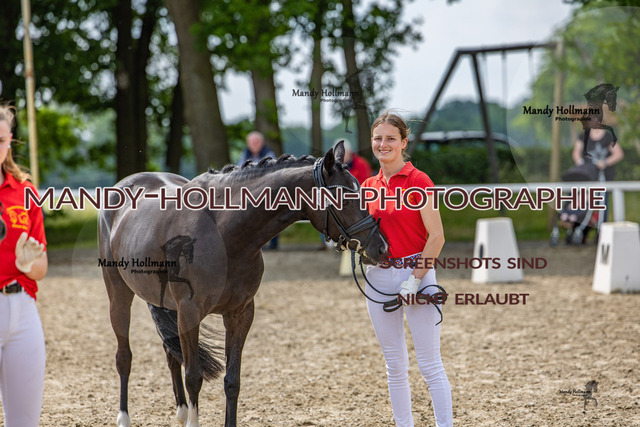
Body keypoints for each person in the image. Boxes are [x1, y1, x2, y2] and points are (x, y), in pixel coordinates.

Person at [362, 111, 452, 427]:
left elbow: (437, 237)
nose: (383, 144)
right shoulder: (367, 186)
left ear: (403, 142)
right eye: (378, 139)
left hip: (417, 274)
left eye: (390, 138)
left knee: (430, 365)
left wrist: (415, 280)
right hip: (377, 277)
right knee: (395, 366)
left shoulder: (419, 181)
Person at [0, 104, 48, 427]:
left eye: (0, 140)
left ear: (9, 141)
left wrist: (26, 263)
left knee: (24, 422)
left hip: (23, 311)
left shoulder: (26, 191)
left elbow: (41, 268)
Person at [572, 124, 624, 222]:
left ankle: (601, 224)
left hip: (603, 176)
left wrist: (605, 162)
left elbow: (618, 154)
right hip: (587, 175)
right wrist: (581, 163)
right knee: (582, 200)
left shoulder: (608, 136)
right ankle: (579, 221)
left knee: (602, 202)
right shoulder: (583, 135)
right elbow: (576, 153)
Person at [238, 131, 279, 249]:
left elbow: (269, 172)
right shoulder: (245, 154)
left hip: (267, 189)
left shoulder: (269, 153)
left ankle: (273, 243)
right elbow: (240, 170)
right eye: (252, 142)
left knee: (271, 214)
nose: (254, 144)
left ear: (262, 142)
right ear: (248, 143)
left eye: (256, 142)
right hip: (251, 189)